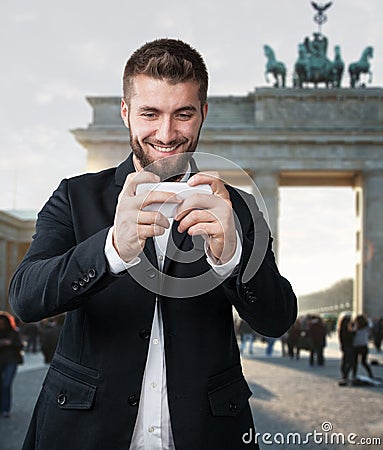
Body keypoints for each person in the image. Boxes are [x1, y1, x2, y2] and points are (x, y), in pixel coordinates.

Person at [9, 38, 297, 450]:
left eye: (183, 114)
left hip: (207, 432)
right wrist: (111, 249)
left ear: (203, 115)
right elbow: (24, 297)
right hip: (83, 432)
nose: (166, 134)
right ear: (126, 113)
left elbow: (278, 319)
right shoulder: (76, 196)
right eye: (150, 113)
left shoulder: (241, 206)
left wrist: (234, 258)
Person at [0, 312, 23, 418]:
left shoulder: (13, 332)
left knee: (6, 384)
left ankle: (6, 408)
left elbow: (20, 345)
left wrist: (10, 343)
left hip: (11, 361)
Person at [352, 314, 373, 381]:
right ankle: (370, 374)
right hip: (364, 346)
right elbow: (371, 324)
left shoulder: (355, 327)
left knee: (355, 362)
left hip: (356, 346)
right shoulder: (366, 327)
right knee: (364, 362)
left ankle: (354, 375)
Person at [337, 313, 354, 386]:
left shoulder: (341, 328)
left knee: (344, 360)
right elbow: (350, 336)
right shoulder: (347, 329)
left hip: (344, 346)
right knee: (350, 361)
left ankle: (344, 374)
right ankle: (345, 375)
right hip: (349, 346)